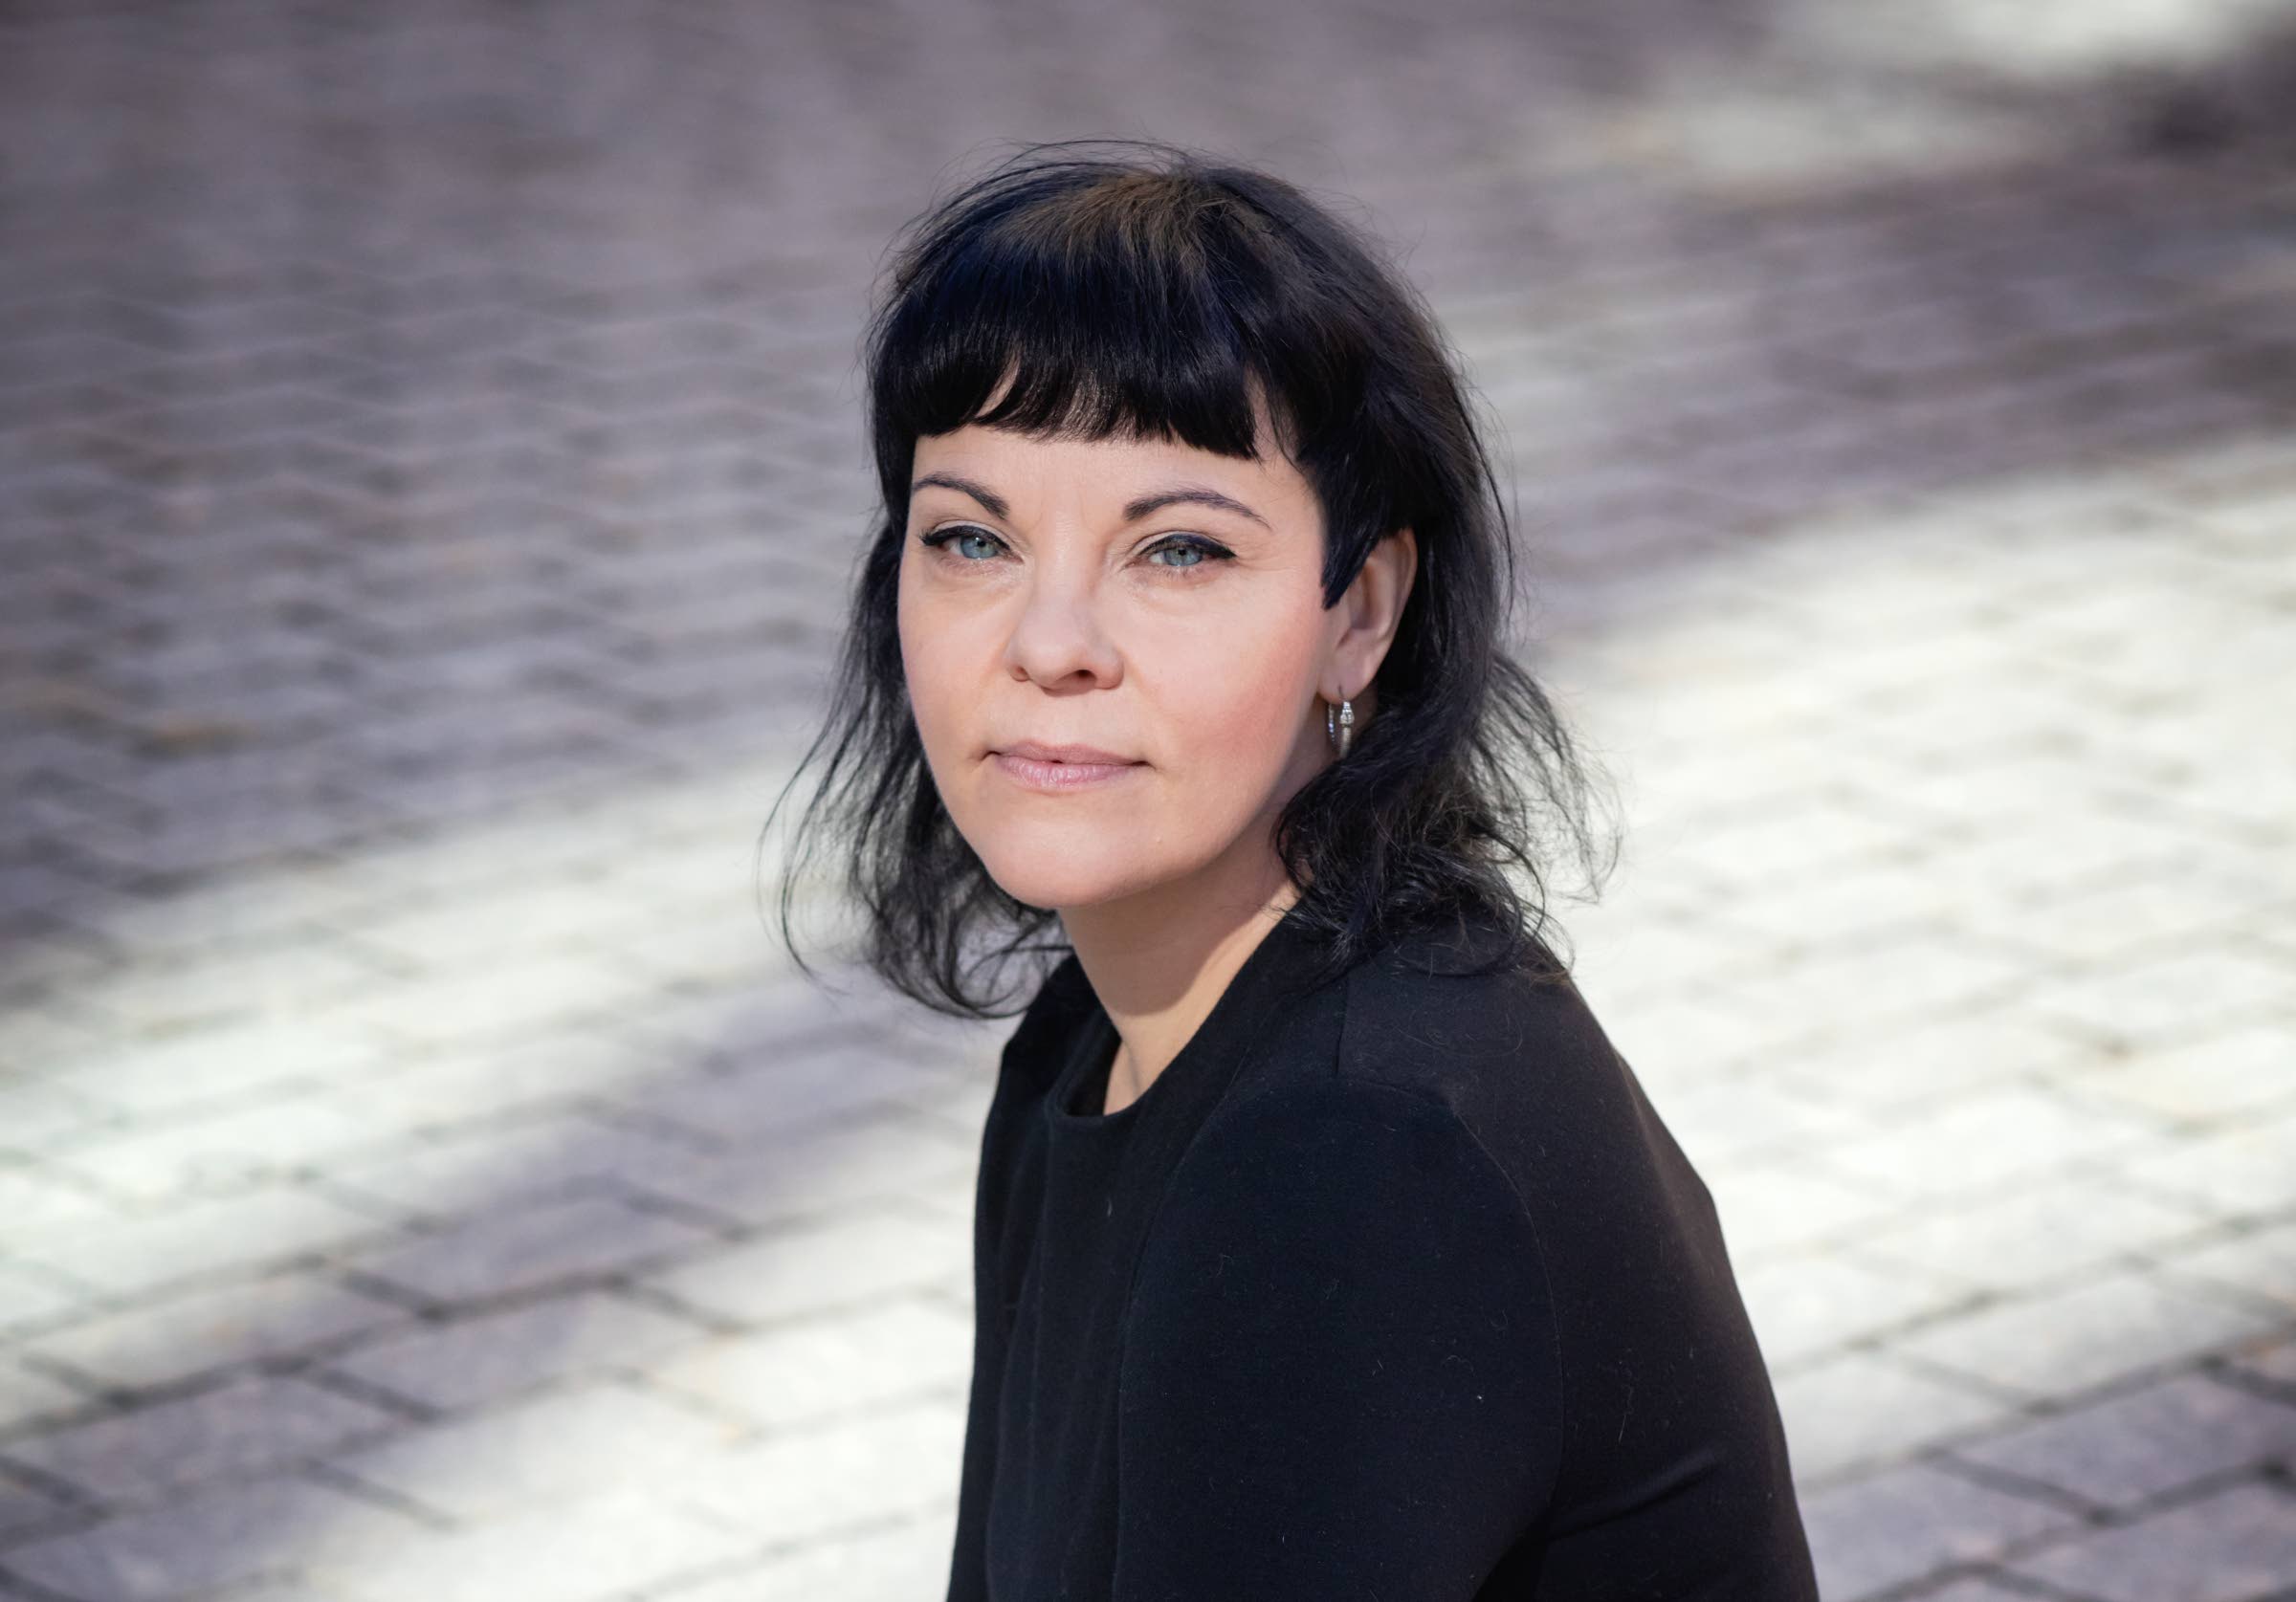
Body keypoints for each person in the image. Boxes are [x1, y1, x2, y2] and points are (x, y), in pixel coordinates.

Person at [766, 138, 1821, 1600]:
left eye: (1178, 552)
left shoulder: (1350, 1154)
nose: (1049, 643)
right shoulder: (1098, 1034)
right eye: (970, 538)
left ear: (1360, 613)